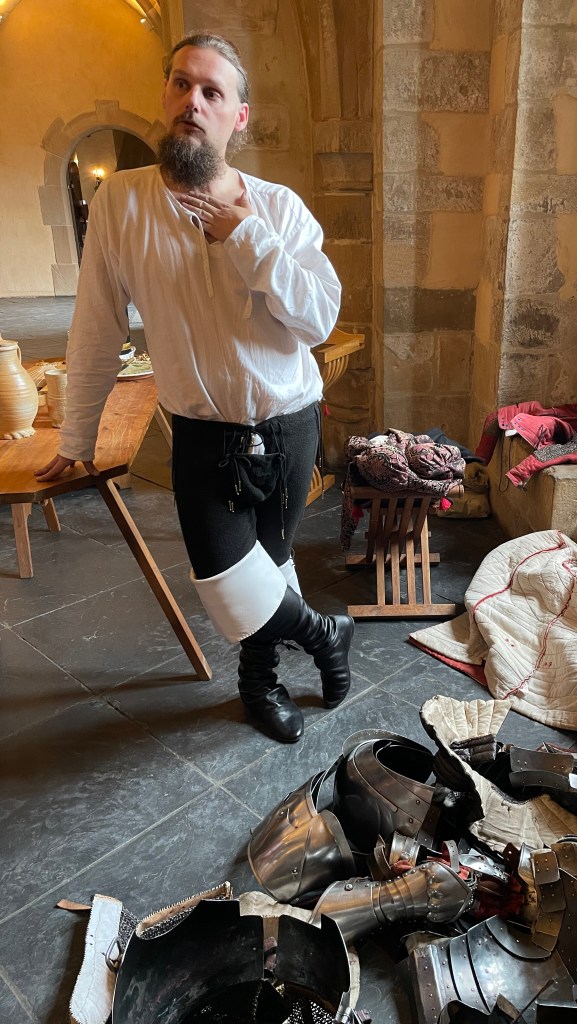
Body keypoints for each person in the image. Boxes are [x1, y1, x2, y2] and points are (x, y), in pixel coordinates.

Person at [36, 32, 353, 744]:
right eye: (181, 84)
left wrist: (248, 238)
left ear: (238, 116)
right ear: (165, 94)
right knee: (225, 578)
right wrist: (78, 433)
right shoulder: (122, 203)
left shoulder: (279, 208)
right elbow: (96, 326)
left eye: (213, 92)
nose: (193, 102)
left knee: (270, 566)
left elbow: (318, 318)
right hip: (202, 431)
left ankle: (259, 682)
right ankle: (326, 633)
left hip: (288, 422)